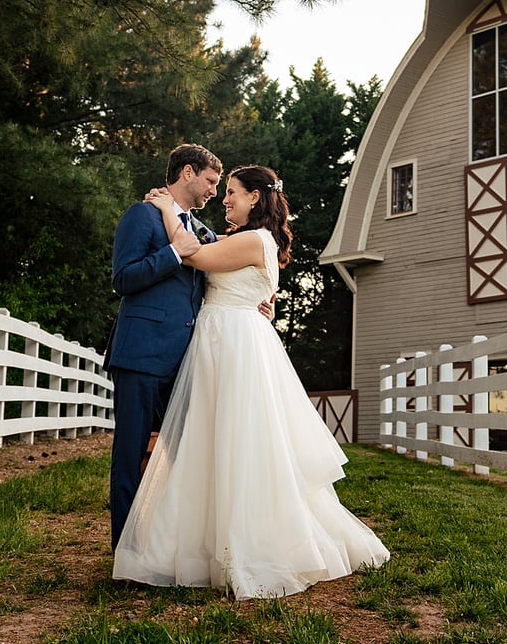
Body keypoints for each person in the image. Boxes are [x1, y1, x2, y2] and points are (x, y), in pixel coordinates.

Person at [113, 165, 389, 598]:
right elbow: (210, 249)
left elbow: (195, 255)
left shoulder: (252, 239)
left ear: (255, 199)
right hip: (223, 340)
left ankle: (242, 543)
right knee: (214, 443)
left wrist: (167, 207)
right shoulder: (247, 239)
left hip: (232, 345)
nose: (225, 199)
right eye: (220, 191)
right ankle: (201, 540)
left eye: (233, 193)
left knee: (235, 444)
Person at [105, 144, 223, 551]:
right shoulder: (143, 216)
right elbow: (124, 278)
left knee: (185, 456)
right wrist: (174, 253)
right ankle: (126, 551)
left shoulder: (203, 233)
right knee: (130, 455)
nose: (214, 192)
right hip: (140, 356)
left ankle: (170, 547)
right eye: (210, 181)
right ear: (188, 173)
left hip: (186, 362)